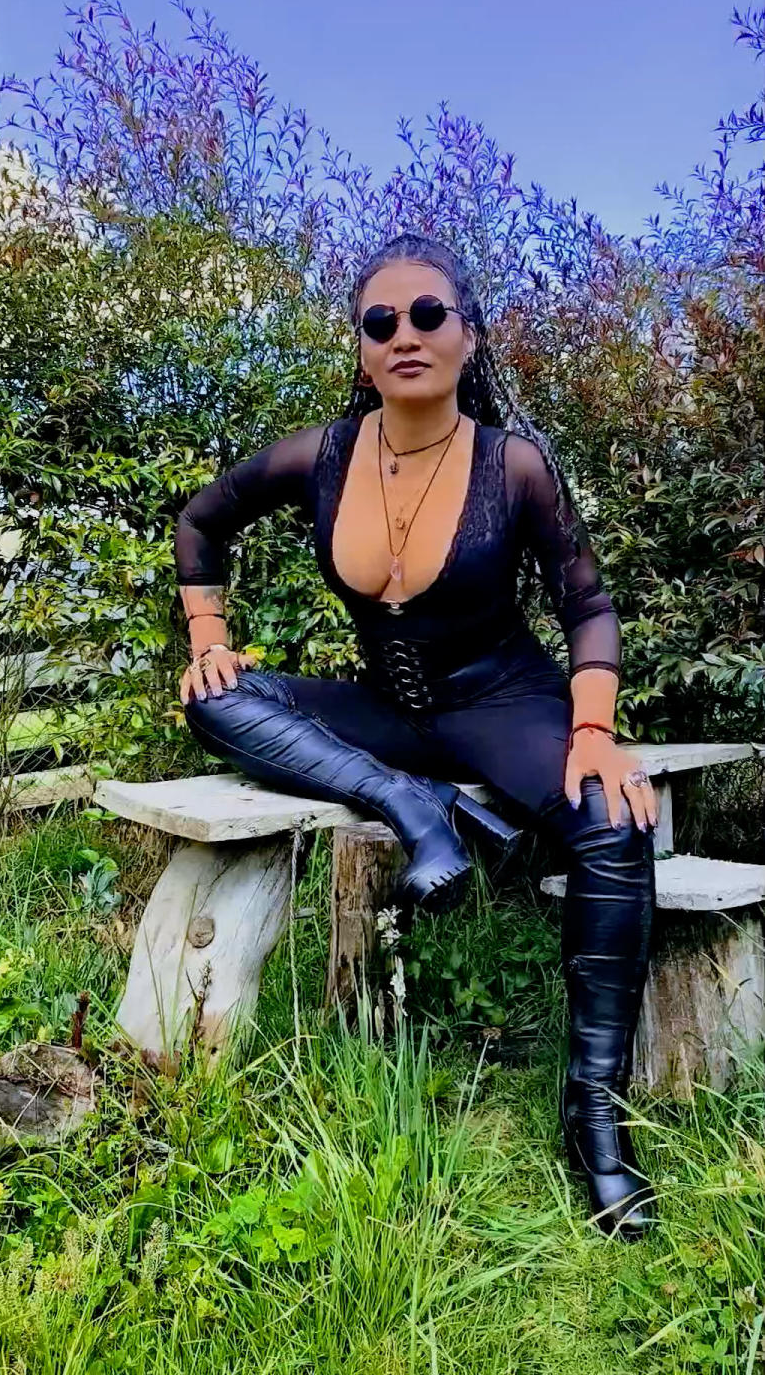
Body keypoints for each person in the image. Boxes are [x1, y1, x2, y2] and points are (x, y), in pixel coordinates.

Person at [173, 231, 659, 1240]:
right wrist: (208, 636)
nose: (406, 333)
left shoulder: (513, 465)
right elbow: (200, 521)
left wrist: (594, 729)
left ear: (468, 336)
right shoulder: (323, 455)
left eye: (429, 314)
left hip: (503, 705)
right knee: (215, 698)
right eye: (380, 320)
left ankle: (595, 1123)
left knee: (614, 822)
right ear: (361, 348)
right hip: (389, 715)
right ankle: (412, 802)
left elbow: (587, 604)